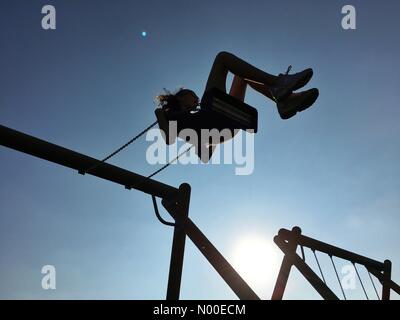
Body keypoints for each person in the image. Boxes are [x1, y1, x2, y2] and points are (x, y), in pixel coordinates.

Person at [156, 51, 319, 160]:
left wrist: (204, 145)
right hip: (220, 119)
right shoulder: (176, 117)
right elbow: (170, 137)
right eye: (193, 97)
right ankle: (278, 83)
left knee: (241, 77)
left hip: (227, 126)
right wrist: (162, 115)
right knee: (222, 59)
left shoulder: (192, 123)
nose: (197, 100)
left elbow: (205, 155)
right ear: (181, 98)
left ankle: (284, 100)